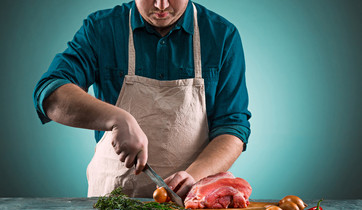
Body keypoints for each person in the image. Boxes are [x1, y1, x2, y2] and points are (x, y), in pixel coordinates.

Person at [33, 0, 251, 199]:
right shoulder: (101, 28)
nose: (161, 5)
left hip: (190, 201)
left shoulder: (223, 35)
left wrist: (194, 176)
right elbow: (51, 94)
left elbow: (232, 128)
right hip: (112, 200)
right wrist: (117, 119)